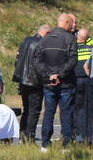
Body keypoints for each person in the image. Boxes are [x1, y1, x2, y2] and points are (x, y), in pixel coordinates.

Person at [32, 13, 78, 148]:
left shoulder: (45, 39)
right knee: (66, 113)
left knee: (48, 113)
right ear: (67, 23)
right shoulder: (70, 38)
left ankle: (45, 143)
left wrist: (49, 75)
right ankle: (66, 145)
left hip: (49, 83)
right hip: (66, 83)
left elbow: (36, 60)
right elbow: (72, 60)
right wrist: (59, 74)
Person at [12, 24, 50, 142]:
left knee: (26, 109)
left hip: (22, 80)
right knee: (34, 111)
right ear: (46, 34)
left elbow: (17, 60)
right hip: (35, 82)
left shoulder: (26, 41)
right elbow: (40, 65)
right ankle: (29, 136)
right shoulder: (42, 45)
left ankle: (22, 132)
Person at [73, 28, 93, 142]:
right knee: (87, 109)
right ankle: (87, 135)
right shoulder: (92, 49)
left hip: (76, 81)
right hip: (89, 81)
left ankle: (78, 135)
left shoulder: (74, 48)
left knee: (77, 108)